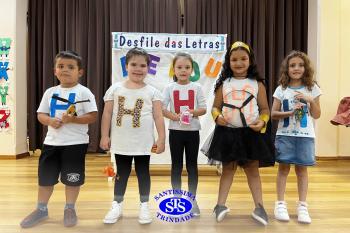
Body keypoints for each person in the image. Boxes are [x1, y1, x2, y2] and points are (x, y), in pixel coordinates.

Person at [20, 51, 98, 228]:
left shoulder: (84, 92)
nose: (65, 70)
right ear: (55, 71)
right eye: (61, 66)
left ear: (80, 72)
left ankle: (69, 208)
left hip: (75, 144)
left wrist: (74, 119)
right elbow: (41, 114)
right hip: (51, 143)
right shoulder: (50, 92)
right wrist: (48, 121)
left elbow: (93, 116)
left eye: (71, 67)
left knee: (72, 178)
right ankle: (41, 209)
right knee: (45, 178)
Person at [202, 41, 274, 225]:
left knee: (253, 171)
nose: (239, 63)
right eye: (234, 59)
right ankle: (220, 204)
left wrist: (263, 120)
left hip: (251, 135)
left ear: (250, 61)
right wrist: (217, 117)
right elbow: (215, 108)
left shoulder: (257, 84)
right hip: (228, 134)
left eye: (243, 59)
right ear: (228, 62)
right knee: (228, 169)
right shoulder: (223, 84)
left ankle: (259, 206)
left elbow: (265, 109)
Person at [100, 47, 165, 225]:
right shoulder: (115, 89)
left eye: (143, 65)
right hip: (121, 141)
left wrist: (161, 139)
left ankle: (144, 205)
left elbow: (158, 117)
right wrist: (104, 136)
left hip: (143, 142)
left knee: (143, 172)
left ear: (148, 68)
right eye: (133, 64)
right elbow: (106, 114)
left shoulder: (153, 92)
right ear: (126, 66)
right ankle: (117, 203)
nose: (138, 69)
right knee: (122, 172)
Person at [271, 50, 321, 224]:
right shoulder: (281, 89)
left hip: (305, 136)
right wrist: (289, 112)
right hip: (284, 135)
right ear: (287, 69)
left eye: (300, 65)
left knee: (302, 170)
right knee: (283, 169)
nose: (296, 68)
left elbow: (317, 115)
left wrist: (310, 100)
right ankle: (280, 203)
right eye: (292, 65)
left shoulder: (312, 88)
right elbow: (273, 114)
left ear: (305, 68)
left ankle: (302, 206)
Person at [162, 52, 207, 216]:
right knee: (176, 166)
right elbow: (162, 108)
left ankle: (192, 199)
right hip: (175, 132)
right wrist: (174, 116)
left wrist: (192, 112)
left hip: (193, 132)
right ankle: (177, 199)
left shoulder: (197, 88)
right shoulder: (169, 88)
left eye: (187, 67)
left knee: (192, 166)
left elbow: (204, 108)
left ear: (192, 69)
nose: (183, 70)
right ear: (173, 69)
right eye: (179, 67)